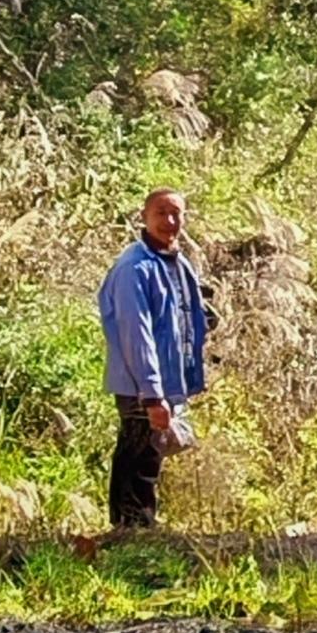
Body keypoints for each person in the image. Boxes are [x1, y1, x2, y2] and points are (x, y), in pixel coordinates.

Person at [96, 186, 214, 532]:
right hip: (140, 382)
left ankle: (139, 528)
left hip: (165, 381)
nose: (170, 221)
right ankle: (130, 530)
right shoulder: (135, 267)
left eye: (176, 213)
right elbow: (136, 333)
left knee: (150, 454)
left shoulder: (176, 263)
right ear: (144, 217)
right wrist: (151, 394)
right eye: (161, 213)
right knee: (138, 454)